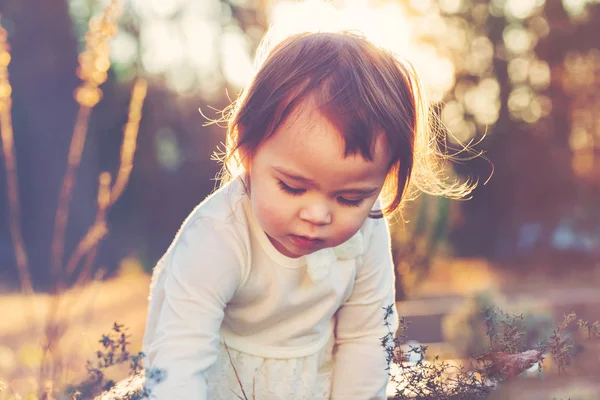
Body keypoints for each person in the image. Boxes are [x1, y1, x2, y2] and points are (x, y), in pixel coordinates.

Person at [142, 28, 474, 400]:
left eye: (349, 198)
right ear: (247, 151)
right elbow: (179, 361)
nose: (317, 214)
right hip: (218, 382)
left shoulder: (368, 229)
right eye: (292, 187)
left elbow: (365, 337)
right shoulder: (217, 236)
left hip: (309, 383)